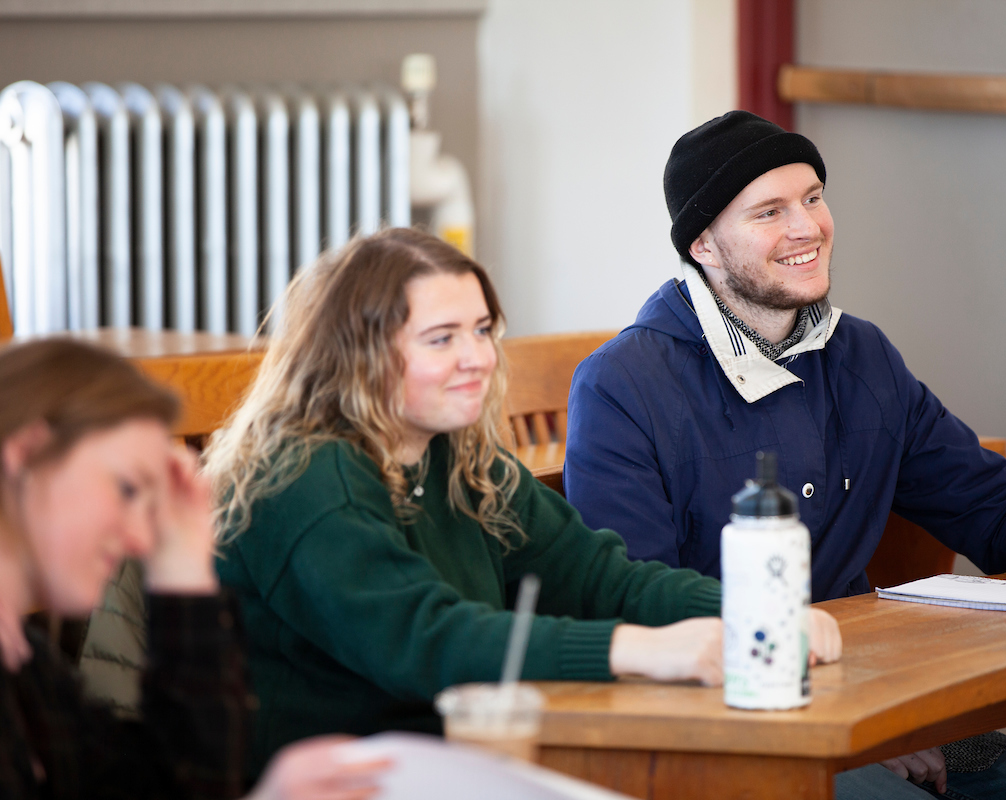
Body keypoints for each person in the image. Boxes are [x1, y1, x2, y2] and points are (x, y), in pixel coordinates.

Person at [562, 111, 1006, 797]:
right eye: (769, 212)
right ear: (704, 244)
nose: (807, 227)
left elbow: (981, 499)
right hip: (740, 737)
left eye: (813, 197)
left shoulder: (864, 355)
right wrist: (841, 725)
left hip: (885, 705)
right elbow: (639, 610)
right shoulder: (621, 385)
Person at [203, 227, 843, 779]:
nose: (478, 358)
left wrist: (756, 611)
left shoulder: (457, 456)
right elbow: (425, 638)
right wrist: (645, 649)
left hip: (453, 760)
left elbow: (596, 577)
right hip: (334, 778)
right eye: (441, 339)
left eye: (482, 330)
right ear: (357, 354)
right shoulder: (304, 473)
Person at [0, 339, 390, 800]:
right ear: (27, 454)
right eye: (127, 488)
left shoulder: (30, 668)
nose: (139, 540)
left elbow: (179, 786)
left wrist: (183, 572)